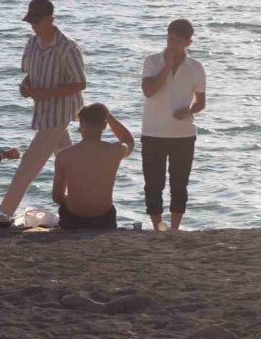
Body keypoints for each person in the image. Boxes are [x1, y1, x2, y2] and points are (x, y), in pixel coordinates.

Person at [0, 0, 86, 218]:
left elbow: (80, 83)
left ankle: (4, 213)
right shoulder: (32, 43)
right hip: (43, 112)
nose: (33, 26)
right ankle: (82, 205)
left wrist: (45, 94)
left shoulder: (68, 46)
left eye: (37, 21)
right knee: (68, 162)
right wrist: (25, 87)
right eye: (31, 21)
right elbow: (30, 76)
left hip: (62, 112)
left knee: (29, 163)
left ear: (51, 19)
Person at [140, 19, 206, 231]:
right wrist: (167, 66)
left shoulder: (196, 67)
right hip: (152, 132)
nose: (172, 44)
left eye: (178, 41)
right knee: (153, 185)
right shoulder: (152, 61)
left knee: (179, 185)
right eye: (170, 39)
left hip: (183, 135)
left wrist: (189, 110)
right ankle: (158, 227)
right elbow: (149, 91)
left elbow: (201, 102)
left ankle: (175, 229)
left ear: (188, 42)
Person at [52, 104, 134, 230]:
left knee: (65, 206)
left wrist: (76, 200)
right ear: (104, 126)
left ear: (81, 125)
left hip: (73, 219)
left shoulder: (64, 156)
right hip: (103, 219)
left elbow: (57, 197)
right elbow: (128, 140)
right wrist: (109, 116)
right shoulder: (115, 150)